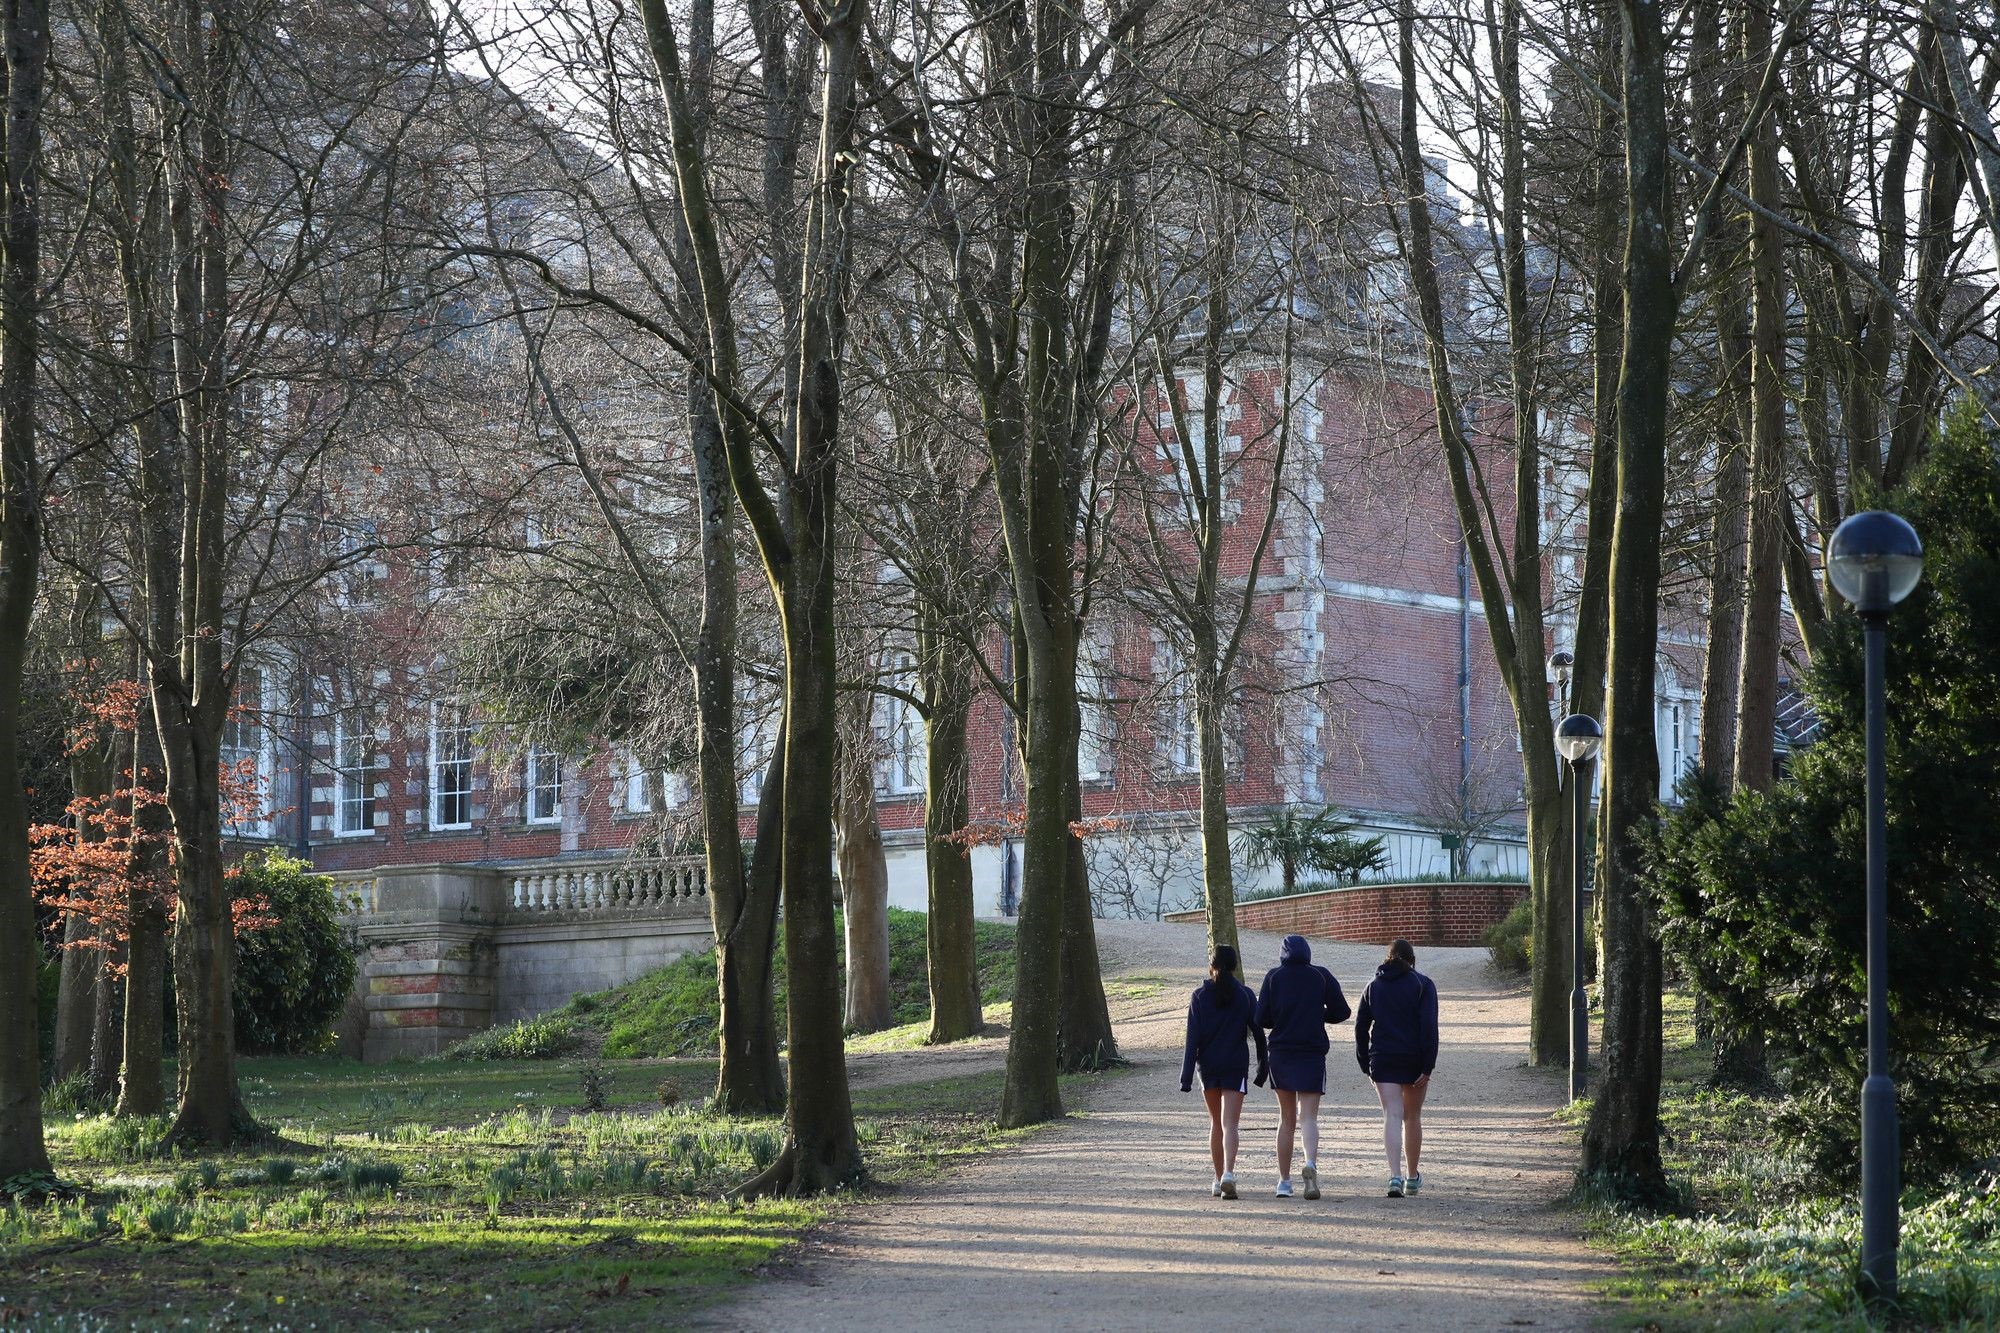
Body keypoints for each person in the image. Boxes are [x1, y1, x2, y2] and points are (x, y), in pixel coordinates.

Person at [1254, 934, 1350, 1199]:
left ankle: (1284, 1182)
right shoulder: (1321, 975)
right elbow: (1342, 1011)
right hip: (1311, 1052)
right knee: (1308, 1117)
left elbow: (1261, 1018)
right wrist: (1319, 1013)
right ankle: (1309, 1164)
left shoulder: (1273, 977)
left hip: (1282, 1052)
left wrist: (1282, 1016)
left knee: (1286, 1120)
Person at [1354, 938, 1440, 1198]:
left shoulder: (1373, 986)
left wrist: (1365, 1063)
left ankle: (1394, 1176)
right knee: (1412, 1117)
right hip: (1413, 1058)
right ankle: (1412, 1177)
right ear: (1412, 960)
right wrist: (1428, 1065)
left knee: (1392, 1115)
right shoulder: (1423, 985)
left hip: (1383, 1058)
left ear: (1387, 958)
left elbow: (1360, 1027)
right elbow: (1429, 1027)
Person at [1179, 944, 1267, 1199]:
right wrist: (1263, 1067)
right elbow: (1259, 1034)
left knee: (1215, 1124)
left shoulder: (1198, 996)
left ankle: (1218, 1180)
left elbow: (1191, 1039)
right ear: (1235, 966)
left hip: (1207, 1067)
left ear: (1212, 965)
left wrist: (1186, 1077)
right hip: (1234, 1065)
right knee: (1231, 1124)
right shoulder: (1246, 996)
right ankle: (1229, 1172)